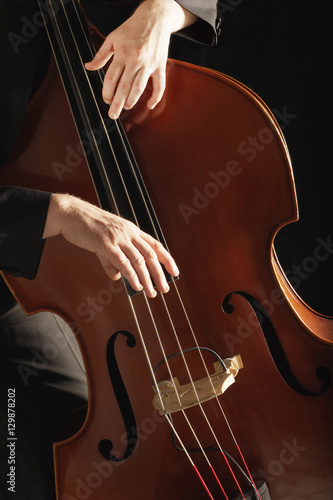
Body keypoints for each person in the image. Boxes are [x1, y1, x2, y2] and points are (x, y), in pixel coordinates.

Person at [0, 0, 220, 498]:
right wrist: (62, 212)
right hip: (13, 274)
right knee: (37, 457)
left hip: (55, 273)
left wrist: (165, 12)